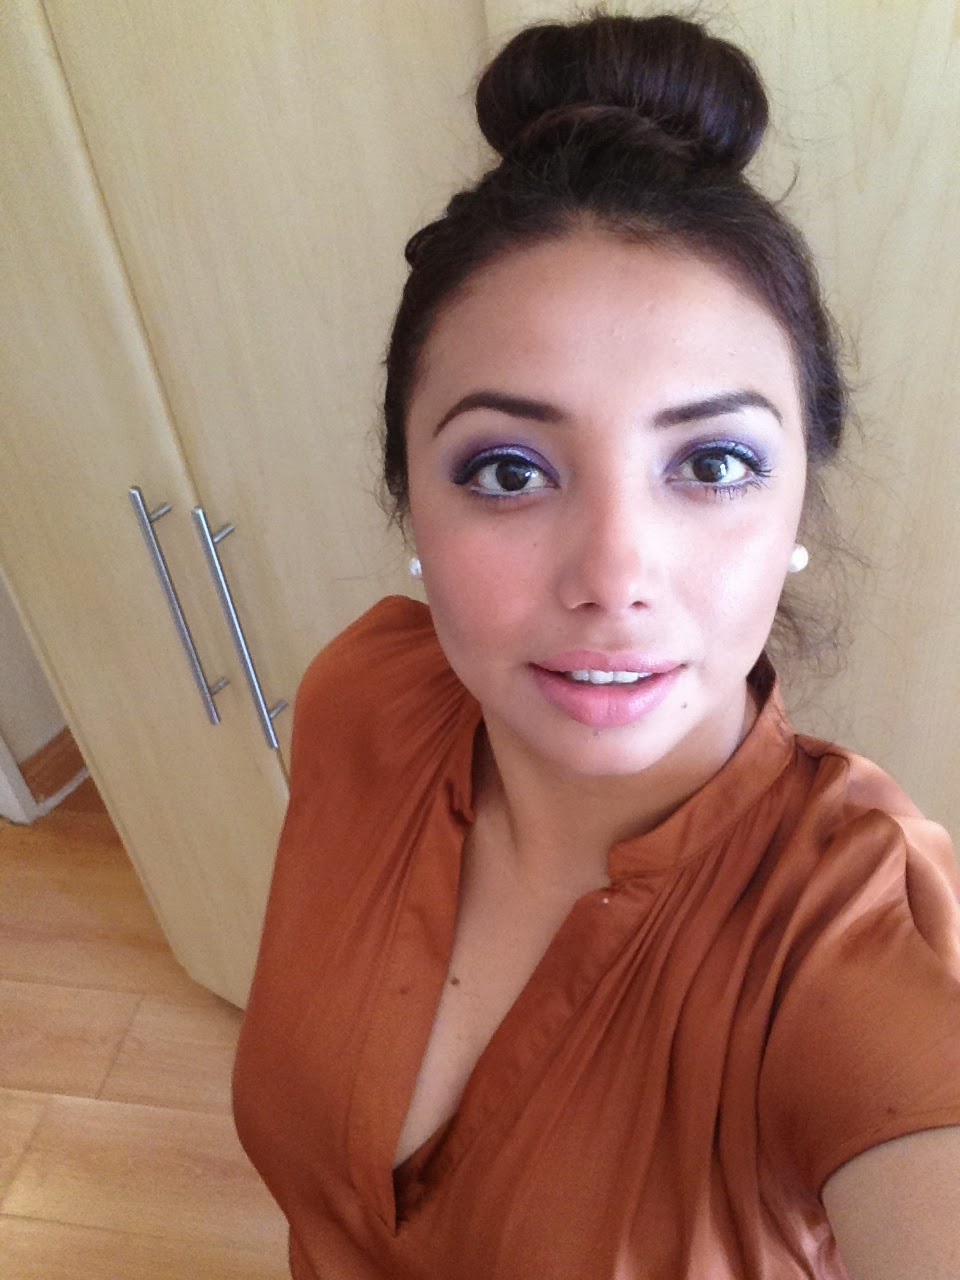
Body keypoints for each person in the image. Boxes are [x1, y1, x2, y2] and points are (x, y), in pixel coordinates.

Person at [233, 12, 960, 1278]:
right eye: (510, 470)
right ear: (410, 500)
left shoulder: (853, 938)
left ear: (799, 502)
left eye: (713, 463)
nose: (615, 577)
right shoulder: (364, 695)